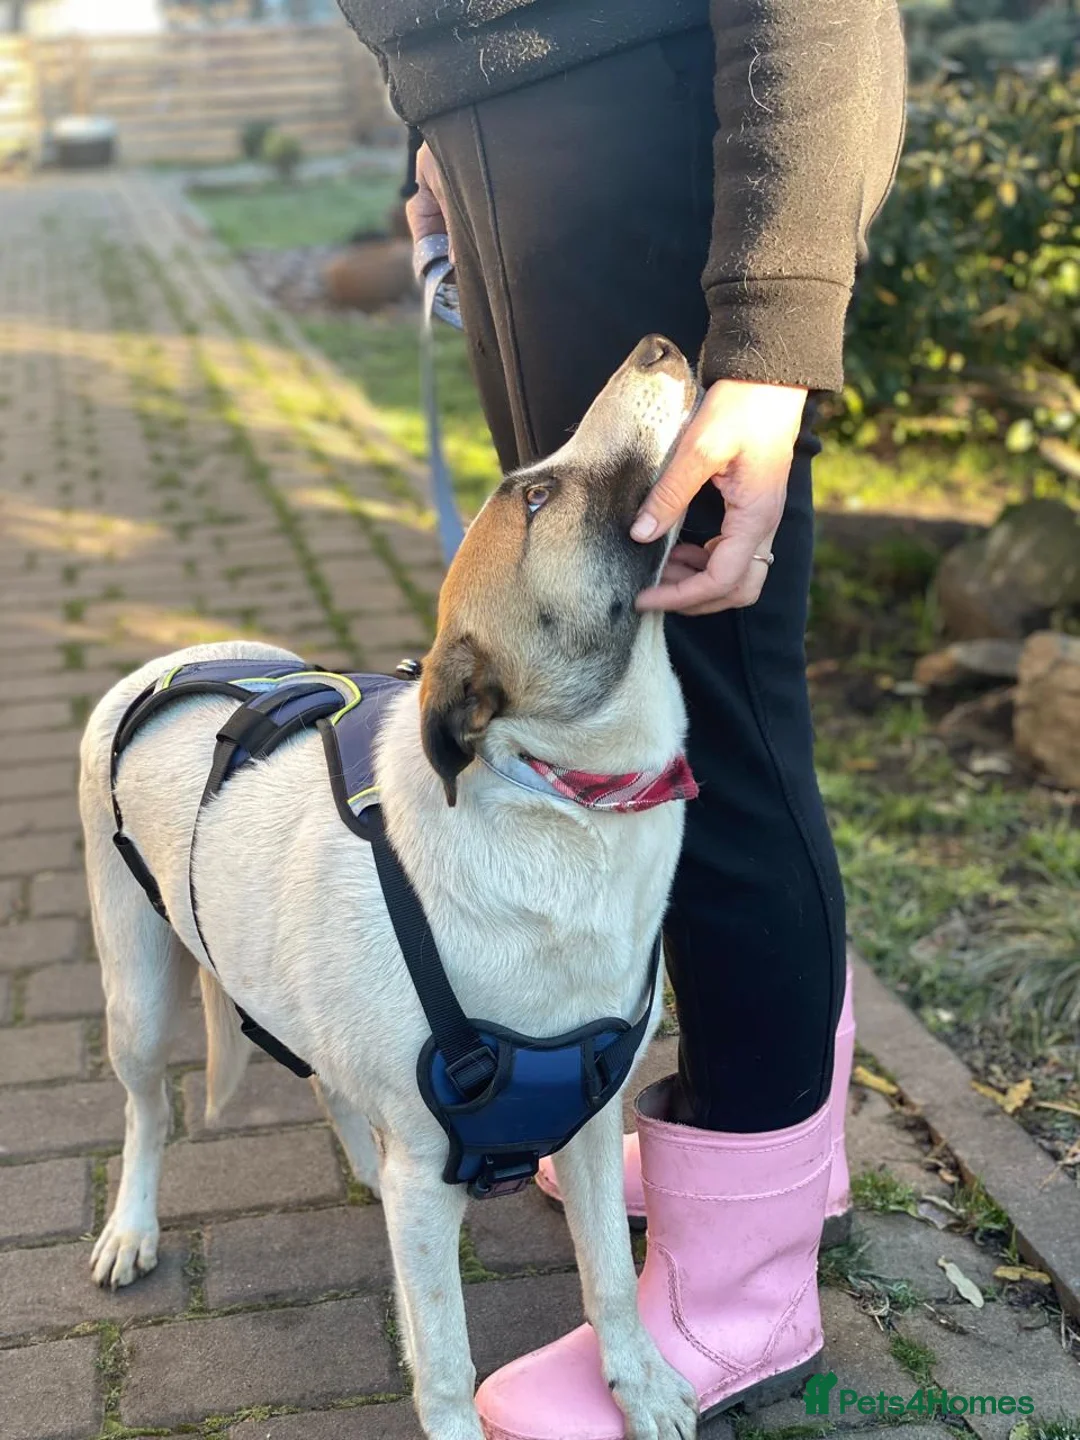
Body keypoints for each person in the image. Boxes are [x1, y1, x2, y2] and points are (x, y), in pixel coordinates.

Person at [337, 2, 907, 1435]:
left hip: (642, 121)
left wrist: (772, 335)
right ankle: (761, 1130)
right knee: (709, 713)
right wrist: (435, 126)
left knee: (714, 732)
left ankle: (744, 1292)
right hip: (526, 135)